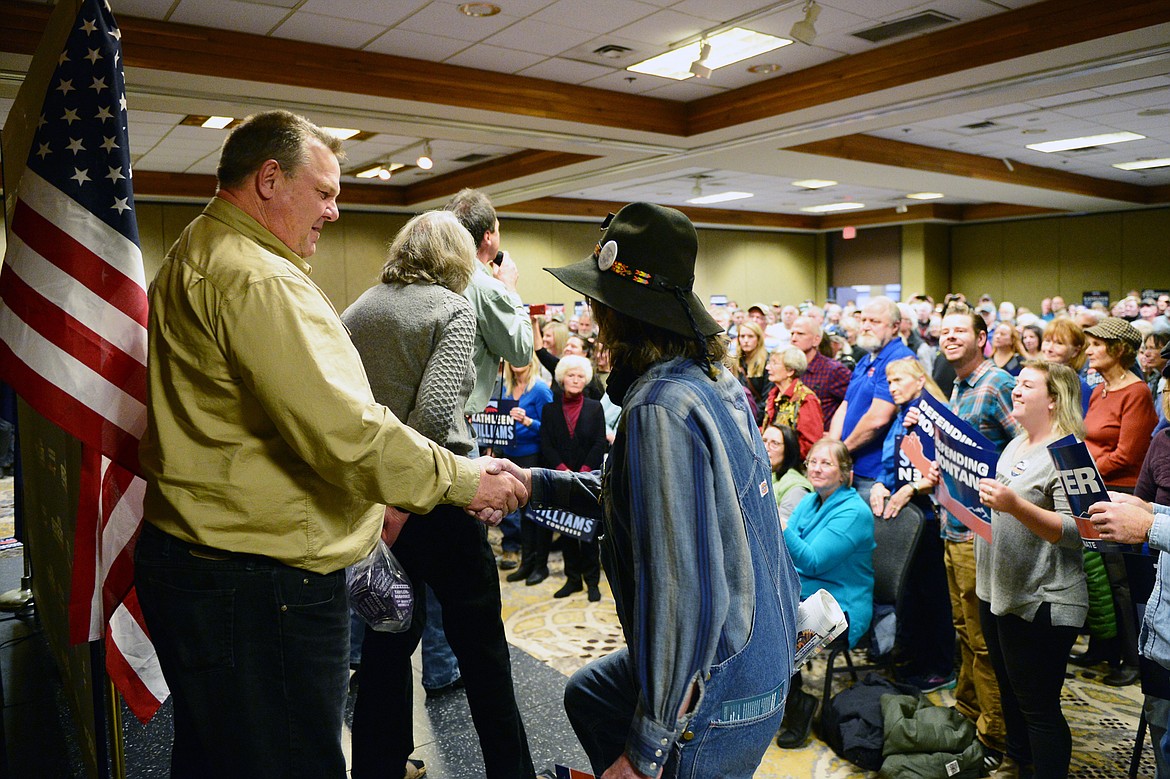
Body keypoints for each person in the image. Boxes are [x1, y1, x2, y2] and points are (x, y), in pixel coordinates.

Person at [134, 111, 523, 778]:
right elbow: (351, 429)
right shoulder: (261, 278)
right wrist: (464, 479)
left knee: (227, 748)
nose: (334, 211)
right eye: (324, 192)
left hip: (207, 560)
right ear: (268, 179)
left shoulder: (199, 249)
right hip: (260, 580)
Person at [512, 202, 800, 778]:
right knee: (589, 693)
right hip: (765, 652)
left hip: (726, 684)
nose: (591, 316)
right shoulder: (712, 379)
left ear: (625, 312)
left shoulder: (659, 409)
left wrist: (643, 755)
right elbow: (645, 507)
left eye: (598, 302)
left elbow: (682, 590)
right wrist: (533, 483)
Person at [342, 211, 535, 779]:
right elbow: (429, 417)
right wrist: (411, 498)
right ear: (456, 259)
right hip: (438, 501)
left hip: (376, 506)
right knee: (482, 653)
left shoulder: (358, 309)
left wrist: (387, 504)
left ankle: (379, 766)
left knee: (385, 645)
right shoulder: (453, 308)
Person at [976, 362, 1088, 778]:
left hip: (1044, 597)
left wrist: (1015, 506)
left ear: (1054, 400)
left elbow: (1082, 531)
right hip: (1001, 590)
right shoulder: (1017, 443)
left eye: (1027, 384)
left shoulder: (1071, 453)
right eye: (1016, 382)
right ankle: (1015, 762)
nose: (1015, 390)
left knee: (1039, 707)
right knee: (1010, 692)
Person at [937, 303, 1021, 765]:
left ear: (981, 337)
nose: (949, 338)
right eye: (944, 332)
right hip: (952, 523)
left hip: (979, 532)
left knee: (985, 643)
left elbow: (1024, 450)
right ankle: (969, 715)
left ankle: (996, 738)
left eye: (959, 332)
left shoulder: (997, 384)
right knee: (963, 632)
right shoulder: (958, 385)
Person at [776, 438, 875, 749]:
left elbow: (812, 560)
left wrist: (781, 527)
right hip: (805, 591)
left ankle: (797, 705)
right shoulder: (811, 500)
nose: (816, 469)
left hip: (839, 606)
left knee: (773, 632)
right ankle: (781, 699)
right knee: (755, 616)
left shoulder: (854, 511)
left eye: (826, 463)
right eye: (813, 462)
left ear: (845, 472)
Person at [868, 357, 954, 692]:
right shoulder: (904, 415)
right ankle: (914, 659)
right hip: (908, 515)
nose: (893, 387)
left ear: (919, 380)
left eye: (899, 380)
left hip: (931, 513)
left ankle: (940, 666)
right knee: (912, 594)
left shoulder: (933, 414)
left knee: (933, 595)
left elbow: (941, 468)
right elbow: (890, 459)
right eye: (889, 383)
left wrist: (910, 488)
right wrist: (879, 483)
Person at [1082, 317, 1159, 687]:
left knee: (1121, 582)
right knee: (1094, 577)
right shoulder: (1099, 391)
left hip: (1123, 495)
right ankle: (1103, 646)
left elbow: (1129, 455)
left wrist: (1085, 469)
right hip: (1094, 488)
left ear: (1118, 350)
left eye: (1097, 344)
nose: (1090, 349)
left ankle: (1132, 657)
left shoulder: (1138, 392)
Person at [830, 296, 915, 502]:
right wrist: (831, 446)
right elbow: (845, 405)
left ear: (895, 327)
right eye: (864, 320)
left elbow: (879, 418)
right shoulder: (865, 359)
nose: (866, 326)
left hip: (874, 474)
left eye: (875, 322)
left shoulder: (899, 359)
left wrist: (840, 452)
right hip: (850, 464)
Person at [539, 355, 607, 601]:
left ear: (586, 379)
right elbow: (545, 443)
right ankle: (572, 579)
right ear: (561, 378)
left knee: (588, 532)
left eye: (580, 376)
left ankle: (592, 582)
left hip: (588, 478)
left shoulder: (594, 407)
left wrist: (586, 470)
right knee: (565, 529)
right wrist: (561, 468)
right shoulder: (549, 409)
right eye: (571, 375)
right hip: (561, 477)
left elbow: (600, 441)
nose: (575, 380)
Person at [501, 352, 556, 586]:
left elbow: (554, 427)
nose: (516, 361)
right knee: (520, 512)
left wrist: (528, 421)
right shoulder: (505, 388)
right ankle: (526, 563)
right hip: (510, 454)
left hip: (532, 455)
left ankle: (538, 565)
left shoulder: (540, 389)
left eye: (520, 355)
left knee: (533, 512)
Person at [790, 315, 851, 431]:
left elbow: (854, 403)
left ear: (816, 340)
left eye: (800, 334)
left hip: (820, 441)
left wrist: (836, 434)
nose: (793, 339)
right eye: (792, 334)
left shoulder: (833, 370)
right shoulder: (789, 368)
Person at [761, 347, 823, 457]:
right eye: (769, 363)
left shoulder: (806, 399)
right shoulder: (773, 395)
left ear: (790, 371)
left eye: (774, 363)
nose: (767, 367)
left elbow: (811, 445)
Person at [762, 423, 812, 522]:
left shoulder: (796, 488)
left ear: (789, 449)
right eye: (763, 441)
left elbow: (783, 530)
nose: (766, 448)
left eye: (774, 443)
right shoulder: (768, 476)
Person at [732, 320, 770, 423]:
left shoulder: (768, 362)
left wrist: (753, 417)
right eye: (742, 336)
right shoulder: (735, 361)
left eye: (750, 336)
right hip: (739, 416)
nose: (746, 340)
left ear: (758, 338)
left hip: (758, 417)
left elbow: (768, 397)